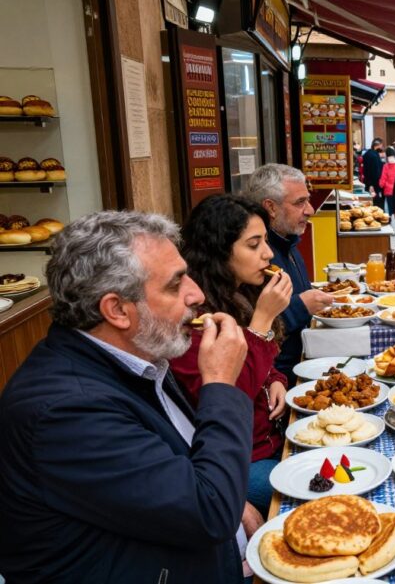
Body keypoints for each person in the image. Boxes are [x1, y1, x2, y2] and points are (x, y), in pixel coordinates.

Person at [0, 211, 252, 582]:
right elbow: (208, 512)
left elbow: (169, 471)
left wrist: (235, 500)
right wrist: (219, 384)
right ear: (117, 310)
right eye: (175, 284)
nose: (196, 294)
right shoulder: (66, 413)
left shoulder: (138, 353)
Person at [170, 195, 292, 520]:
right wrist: (263, 320)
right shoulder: (195, 321)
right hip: (242, 460)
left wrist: (276, 379)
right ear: (219, 251)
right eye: (253, 245)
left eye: (266, 241)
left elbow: (266, 358)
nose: (268, 253)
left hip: (273, 438)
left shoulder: (240, 291)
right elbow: (229, 394)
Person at [241, 164, 333, 386]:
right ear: (270, 208)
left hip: (303, 362)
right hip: (283, 378)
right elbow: (252, 327)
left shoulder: (288, 242)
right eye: (300, 202)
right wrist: (301, 306)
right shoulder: (255, 260)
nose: (310, 210)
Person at [380, 146, 395, 234]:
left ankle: (389, 229)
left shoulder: (386, 166)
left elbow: (382, 181)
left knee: (389, 211)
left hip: (388, 192)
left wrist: (381, 185)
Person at [361, 138, 384, 206]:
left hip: (367, 183)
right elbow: (376, 172)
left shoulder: (367, 154)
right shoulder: (374, 156)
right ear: (378, 145)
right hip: (374, 185)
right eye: (381, 145)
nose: (382, 147)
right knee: (376, 205)